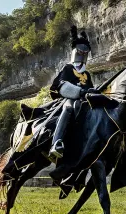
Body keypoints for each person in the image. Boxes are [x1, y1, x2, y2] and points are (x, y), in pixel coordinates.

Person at [48, 26, 99, 159]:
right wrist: (80, 91)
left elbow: (90, 87)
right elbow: (62, 85)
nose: (82, 54)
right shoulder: (68, 68)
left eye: (85, 52)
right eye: (80, 51)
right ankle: (56, 143)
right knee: (69, 108)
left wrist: (94, 91)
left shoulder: (87, 73)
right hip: (70, 98)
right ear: (75, 52)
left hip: (86, 100)